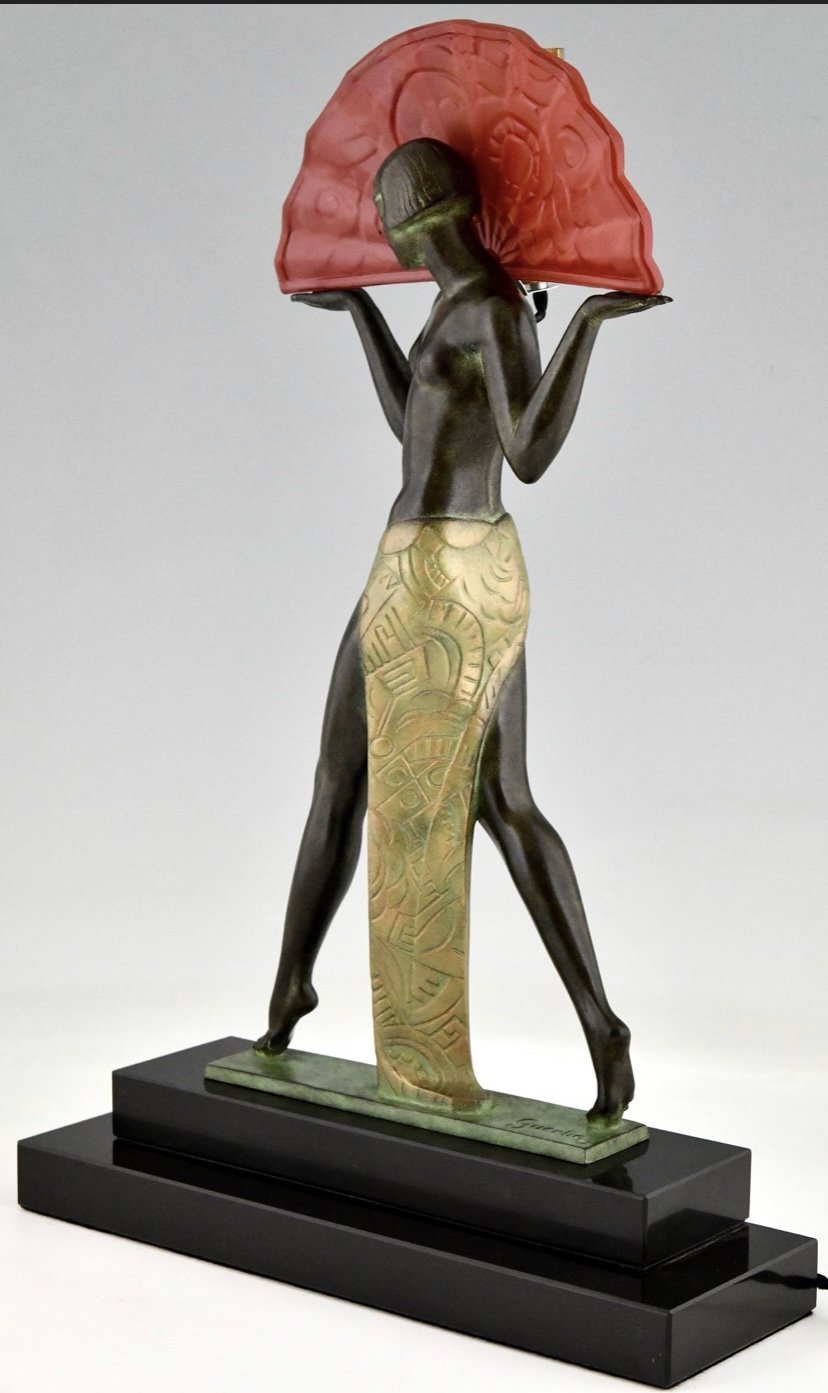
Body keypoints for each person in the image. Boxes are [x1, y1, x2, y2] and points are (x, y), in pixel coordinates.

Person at [257, 138, 669, 1122]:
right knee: (399, 783)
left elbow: (527, 450)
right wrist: (359, 313)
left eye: (382, 215)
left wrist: (587, 326)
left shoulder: (489, 306)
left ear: (409, 216)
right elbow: (417, 419)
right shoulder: (458, 305)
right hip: (423, 566)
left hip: (443, 577)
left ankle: (593, 1020)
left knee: (416, 789)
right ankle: (293, 988)